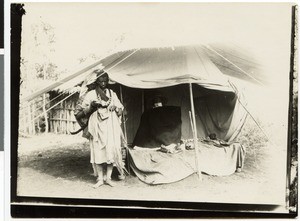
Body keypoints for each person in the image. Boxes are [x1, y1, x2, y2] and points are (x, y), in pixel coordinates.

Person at [75, 70, 124, 188]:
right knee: (98, 151)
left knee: (111, 150)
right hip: (96, 125)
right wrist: (91, 106)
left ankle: (108, 178)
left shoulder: (112, 94)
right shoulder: (91, 94)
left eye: (105, 81)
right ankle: (100, 179)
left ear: (108, 81)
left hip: (110, 125)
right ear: (96, 81)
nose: (103, 83)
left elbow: (121, 108)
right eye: (100, 81)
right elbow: (79, 113)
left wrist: (116, 109)